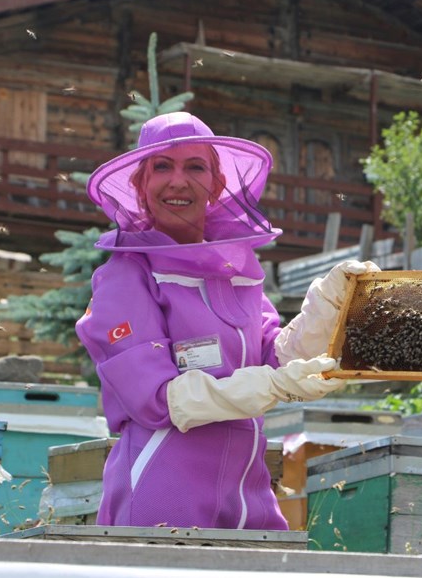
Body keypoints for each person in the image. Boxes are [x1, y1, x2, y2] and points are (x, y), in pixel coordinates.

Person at [76, 112, 375, 529]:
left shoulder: (232, 269)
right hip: (162, 487)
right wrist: (272, 385)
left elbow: (273, 356)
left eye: (195, 167)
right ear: (140, 186)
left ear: (217, 185)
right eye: (162, 166)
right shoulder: (125, 277)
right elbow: (161, 400)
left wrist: (328, 302)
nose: (178, 181)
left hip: (248, 489)